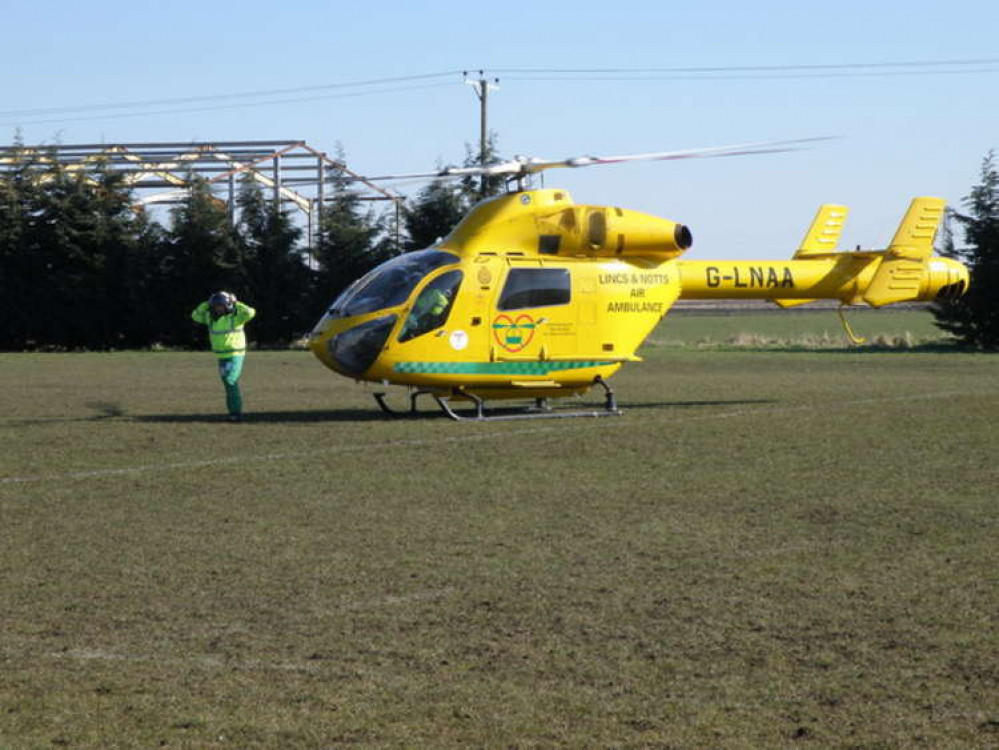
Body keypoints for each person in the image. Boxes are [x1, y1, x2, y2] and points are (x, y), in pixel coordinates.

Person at [191, 291, 256, 422]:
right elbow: (195, 315)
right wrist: (206, 303)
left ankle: (235, 414)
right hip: (222, 357)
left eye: (221, 306)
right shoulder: (209, 318)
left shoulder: (236, 317)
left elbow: (250, 312)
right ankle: (233, 413)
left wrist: (236, 303)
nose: (218, 309)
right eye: (215, 306)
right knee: (228, 384)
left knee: (230, 380)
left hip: (235, 355)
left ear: (228, 306)